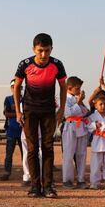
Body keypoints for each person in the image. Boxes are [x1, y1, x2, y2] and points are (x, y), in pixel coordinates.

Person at [14, 33, 67, 198]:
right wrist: (18, 110)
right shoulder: (25, 64)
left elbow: (63, 86)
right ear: (34, 49)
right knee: (32, 149)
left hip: (49, 111)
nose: (44, 55)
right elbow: (16, 86)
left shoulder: (57, 65)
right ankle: (35, 187)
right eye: (40, 51)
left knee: (48, 147)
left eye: (47, 51)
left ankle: (48, 187)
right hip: (30, 110)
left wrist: (61, 109)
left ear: (52, 49)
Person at [62, 76, 89, 189]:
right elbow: (68, 113)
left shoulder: (77, 99)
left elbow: (85, 112)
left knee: (81, 154)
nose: (79, 91)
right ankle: (67, 180)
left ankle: (81, 179)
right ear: (69, 87)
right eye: (77, 88)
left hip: (81, 127)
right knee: (68, 154)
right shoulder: (64, 98)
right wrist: (79, 103)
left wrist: (80, 103)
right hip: (70, 127)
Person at [0, 80, 23, 181]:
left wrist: (16, 114)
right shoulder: (8, 99)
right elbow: (6, 114)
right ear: (11, 88)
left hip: (23, 130)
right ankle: (7, 172)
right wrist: (19, 114)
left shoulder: (25, 99)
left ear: (21, 88)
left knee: (26, 154)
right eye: (13, 87)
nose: (15, 88)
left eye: (18, 87)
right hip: (11, 130)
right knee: (9, 153)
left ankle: (28, 173)